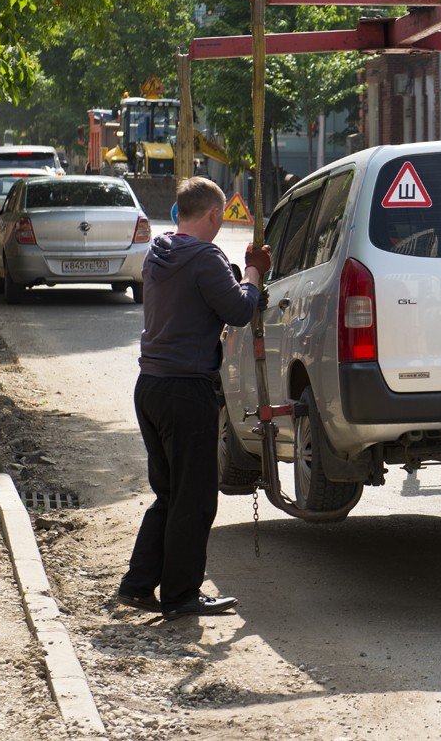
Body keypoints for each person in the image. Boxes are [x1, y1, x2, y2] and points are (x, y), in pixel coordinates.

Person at [116, 177, 271, 620]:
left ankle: (139, 584)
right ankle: (181, 596)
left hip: (151, 386)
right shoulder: (205, 257)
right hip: (187, 391)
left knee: (169, 492)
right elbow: (240, 310)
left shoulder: (158, 252)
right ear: (214, 215)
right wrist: (254, 272)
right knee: (196, 498)